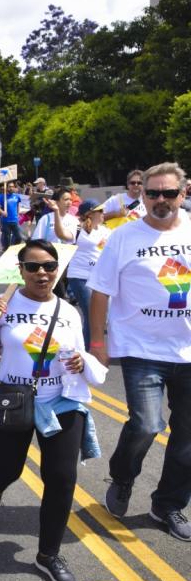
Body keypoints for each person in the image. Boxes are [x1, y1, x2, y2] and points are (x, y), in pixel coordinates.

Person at [0, 239, 105, 581]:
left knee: (62, 478)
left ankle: (48, 554)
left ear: (56, 269)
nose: (42, 273)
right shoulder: (3, 306)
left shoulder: (69, 312)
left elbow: (79, 354)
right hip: (13, 401)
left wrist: (80, 361)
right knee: (6, 469)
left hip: (60, 402)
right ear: (21, 271)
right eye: (33, 267)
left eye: (49, 266)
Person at [88, 162, 191, 542]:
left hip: (188, 352)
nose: (160, 200)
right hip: (141, 349)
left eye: (169, 193)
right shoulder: (125, 237)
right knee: (147, 425)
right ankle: (123, 475)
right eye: (153, 193)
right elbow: (100, 290)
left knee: (188, 437)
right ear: (142, 195)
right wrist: (98, 343)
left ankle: (168, 505)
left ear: (183, 193)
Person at [63, 200, 109, 348]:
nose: (103, 214)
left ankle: (84, 349)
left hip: (99, 278)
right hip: (79, 276)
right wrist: (57, 214)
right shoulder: (77, 229)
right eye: (100, 211)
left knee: (99, 317)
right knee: (91, 315)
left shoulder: (105, 230)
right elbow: (61, 234)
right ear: (90, 213)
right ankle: (87, 352)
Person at [0, 181, 23, 251]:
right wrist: (2, 212)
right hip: (6, 221)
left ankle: (12, 247)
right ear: (7, 187)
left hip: (15, 220)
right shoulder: (2, 196)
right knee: (7, 239)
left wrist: (18, 213)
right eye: (9, 187)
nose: (11, 188)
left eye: (12, 187)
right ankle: (6, 250)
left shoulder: (16, 196)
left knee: (19, 237)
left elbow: (18, 205)